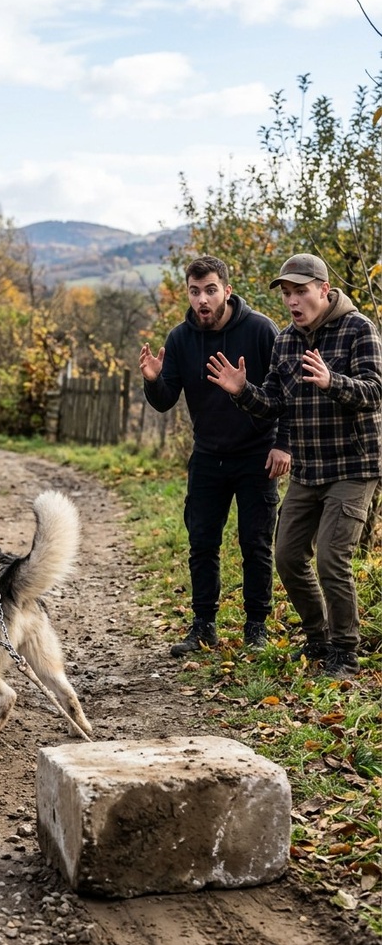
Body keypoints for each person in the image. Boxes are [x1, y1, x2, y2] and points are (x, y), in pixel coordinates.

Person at [207, 252, 382, 678]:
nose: (292, 301)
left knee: (331, 558)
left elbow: (376, 390)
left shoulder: (359, 329)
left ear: (324, 289)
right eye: (286, 293)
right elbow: (272, 403)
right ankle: (318, 637)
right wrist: (242, 390)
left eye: (300, 291)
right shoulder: (286, 340)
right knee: (285, 555)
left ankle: (345, 650)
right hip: (309, 469)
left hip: (354, 465)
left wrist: (331, 381)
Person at [140, 255, 291, 657]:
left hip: (257, 453)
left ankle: (256, 627)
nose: (202, 300)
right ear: (187, 293)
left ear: (227, 289)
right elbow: (165, 400)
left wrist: (284, 444)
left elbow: (286, 395)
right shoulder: (180, 339)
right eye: (194, 292)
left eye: (210, 290)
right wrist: (153, 380)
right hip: (208, 454)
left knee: (255, 543)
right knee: (201, 541)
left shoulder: (261, 330)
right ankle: (203, 626)